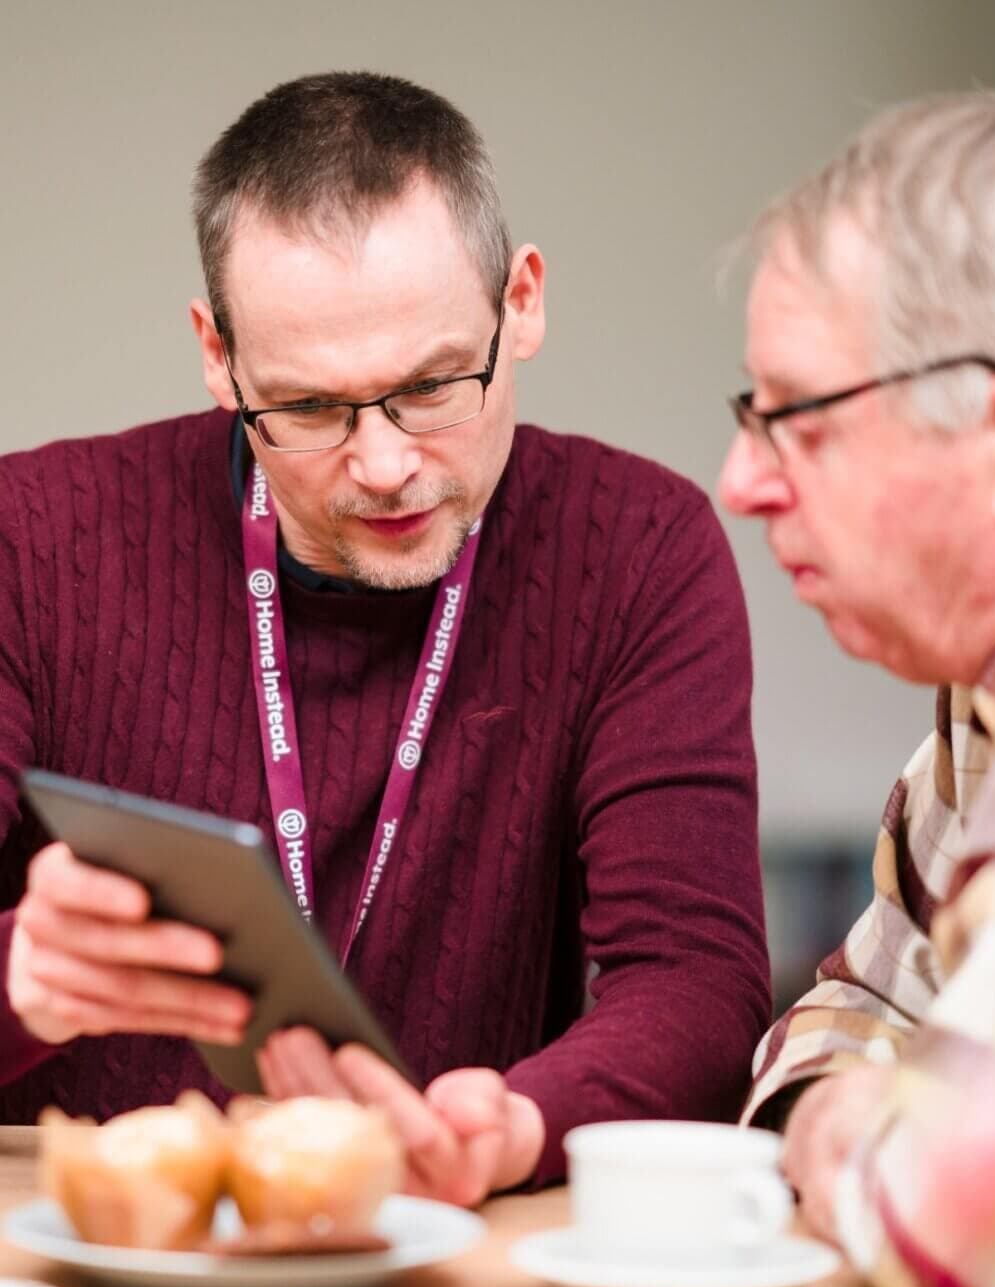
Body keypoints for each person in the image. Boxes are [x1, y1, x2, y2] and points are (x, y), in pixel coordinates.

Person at [0, 71, 769, 1205]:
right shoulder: (30, 535)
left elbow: (697, 983)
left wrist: (517, 1123)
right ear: (218, 356)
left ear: (524, 301)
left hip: (458, 1258)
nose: (383, 464)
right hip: (95, 1252)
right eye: (309, 408)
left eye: (431, 386)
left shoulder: (638, 549)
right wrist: (22, 976)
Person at [719, 91, 995, 1287]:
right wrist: (856, 1104)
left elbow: (941, 1212)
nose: (739, 481)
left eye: (797, 418)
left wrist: (865, 1139)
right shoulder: (972, 721)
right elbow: (841, 1006)